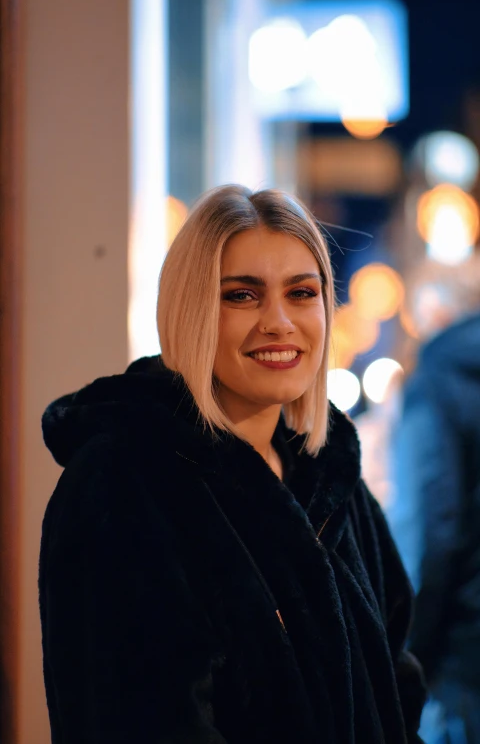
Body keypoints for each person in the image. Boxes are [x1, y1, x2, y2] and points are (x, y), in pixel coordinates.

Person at [39, 185, 425, 744]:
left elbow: (397, 684)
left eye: (301, 292)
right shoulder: (124, 481)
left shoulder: (330, 478)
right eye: (242, 295)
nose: (279, 322)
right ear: (190, 310)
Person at [387, 257, 480, 743]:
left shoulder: (438, 378)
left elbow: (426, 530)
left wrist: (405, 655)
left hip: (462, 666)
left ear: (439, 314)